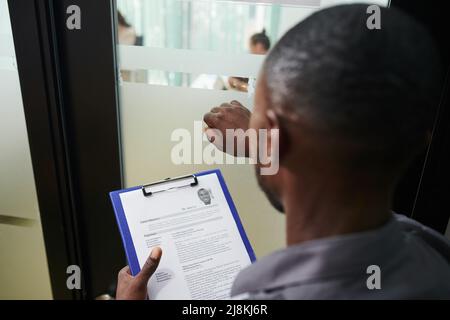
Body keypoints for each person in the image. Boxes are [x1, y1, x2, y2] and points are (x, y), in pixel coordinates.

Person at [116, 4, 450, 299]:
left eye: (255, 110)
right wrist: (268, 145)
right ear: (422, 141)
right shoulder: (432, 255)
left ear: (275, 135)